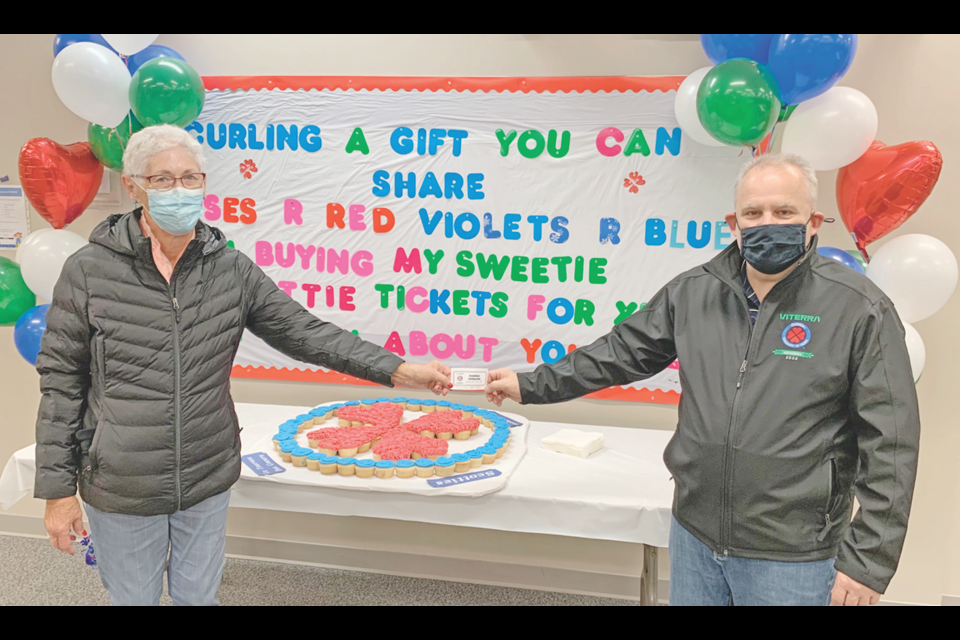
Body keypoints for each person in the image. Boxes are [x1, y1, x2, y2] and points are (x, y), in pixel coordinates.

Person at [35, 124, 452, 606]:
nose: (180, 191)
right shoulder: (89, 271)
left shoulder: (230, 270)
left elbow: (306, 333)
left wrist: (398, 370)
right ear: (134, 186)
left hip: (206, 473)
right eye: (164, 180)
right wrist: (58, 491)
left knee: (199, 599)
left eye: (191, 178)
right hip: (123, 481)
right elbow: (62, 385)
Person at [485, 153, 920, 606]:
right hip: (695, 536)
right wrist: (530, 385)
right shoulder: (694, 291)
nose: (766, 222)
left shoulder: (858, 307)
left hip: (792, 553)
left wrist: (868, 561)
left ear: (813, 222)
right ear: (734, 222)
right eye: (753, 213)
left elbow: (891, 443)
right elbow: (619, 353)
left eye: (784, 212)